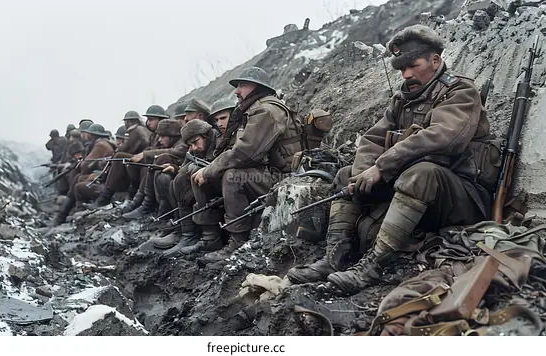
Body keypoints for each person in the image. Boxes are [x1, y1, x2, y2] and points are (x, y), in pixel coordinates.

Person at [287, 24, 492, 295]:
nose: (406, 75)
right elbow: (373, 139)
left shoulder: (459, 91)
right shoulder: (403, 100)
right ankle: (333, 259)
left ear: (435, 60)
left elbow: (445, 137)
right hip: (417, 193)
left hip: (462, 196)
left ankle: (371, 267)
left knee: (422, 173)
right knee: (347, 175)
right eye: (401, 69)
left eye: (412, 65)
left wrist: (381, 167)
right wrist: (364, 173)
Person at [190, 67, 304, 262]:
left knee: (232, 176)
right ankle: (213, 237)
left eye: (242, 85)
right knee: (216, 173)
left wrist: (209, 170)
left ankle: (237, 243)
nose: (237, 91)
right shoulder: (255, 109)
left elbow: (245, 153)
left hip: (285, 178)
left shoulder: (266, 110)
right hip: (271, 173)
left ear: (257, 87)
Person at [151, 119, 222, 256]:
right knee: (177, 179)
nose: (194, 147)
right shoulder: (199, 146)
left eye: (196, 142)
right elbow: (184, 168)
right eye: (191, 144)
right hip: (211, 184)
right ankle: (186, 234)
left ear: (205, 135)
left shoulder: (220, 141)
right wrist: (176, 168)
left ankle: (209, 237)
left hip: (223, 185)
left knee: (192, 171)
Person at [121, 119, 187, 220]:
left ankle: (146, 205)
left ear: (172, 136)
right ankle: (140, 202)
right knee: (156, 161)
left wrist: (145, 154)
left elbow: (175, 152)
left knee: (162, 158)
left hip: (185, 178)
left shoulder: (183, 143)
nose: (159, 140)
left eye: (162, 136)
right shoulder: (173, 143)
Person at [53, 124, 116, 226]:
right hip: (102, 176)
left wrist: (81, 165)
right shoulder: (100, 143)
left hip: (104, 180)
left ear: (90, 134)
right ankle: (64, 216)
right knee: (78, 178)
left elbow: (85, 165)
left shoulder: (100, 145)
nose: (82, 135)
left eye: (84, 133)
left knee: (78, 184)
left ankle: (72, 215)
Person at [89, 111, 153, 207]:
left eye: (126, 122)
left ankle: (104, 197)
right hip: (144, 159)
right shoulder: (144, 129)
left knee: (119, 157)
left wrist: (114, 155)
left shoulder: (134, 131)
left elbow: (126, 148)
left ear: (129, 122)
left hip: (142, 161)